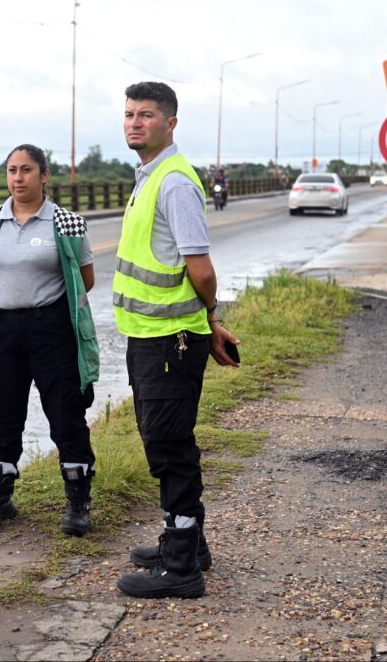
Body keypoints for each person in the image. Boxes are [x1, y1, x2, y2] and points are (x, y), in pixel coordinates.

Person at [113, 81, 240, 599]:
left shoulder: (174, 183)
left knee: (170, 447)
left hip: (172, 341)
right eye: (128, 114)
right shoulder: (149, 176)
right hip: (151, 335)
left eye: (146, 114)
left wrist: (208, 318)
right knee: (163, 441)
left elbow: (201, 270)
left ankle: (182, 567)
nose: (134, 122)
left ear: (170, 123)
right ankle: (187, 542)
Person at [0, 143, 100, 537]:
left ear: (44, 176)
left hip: (51, 330)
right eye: (12, 170)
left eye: (27, 170)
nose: (18, 178)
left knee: (66, 414)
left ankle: (78, 505)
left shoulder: (66, 223)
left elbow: (85, 280)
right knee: (0, 413)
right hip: (0, 331)